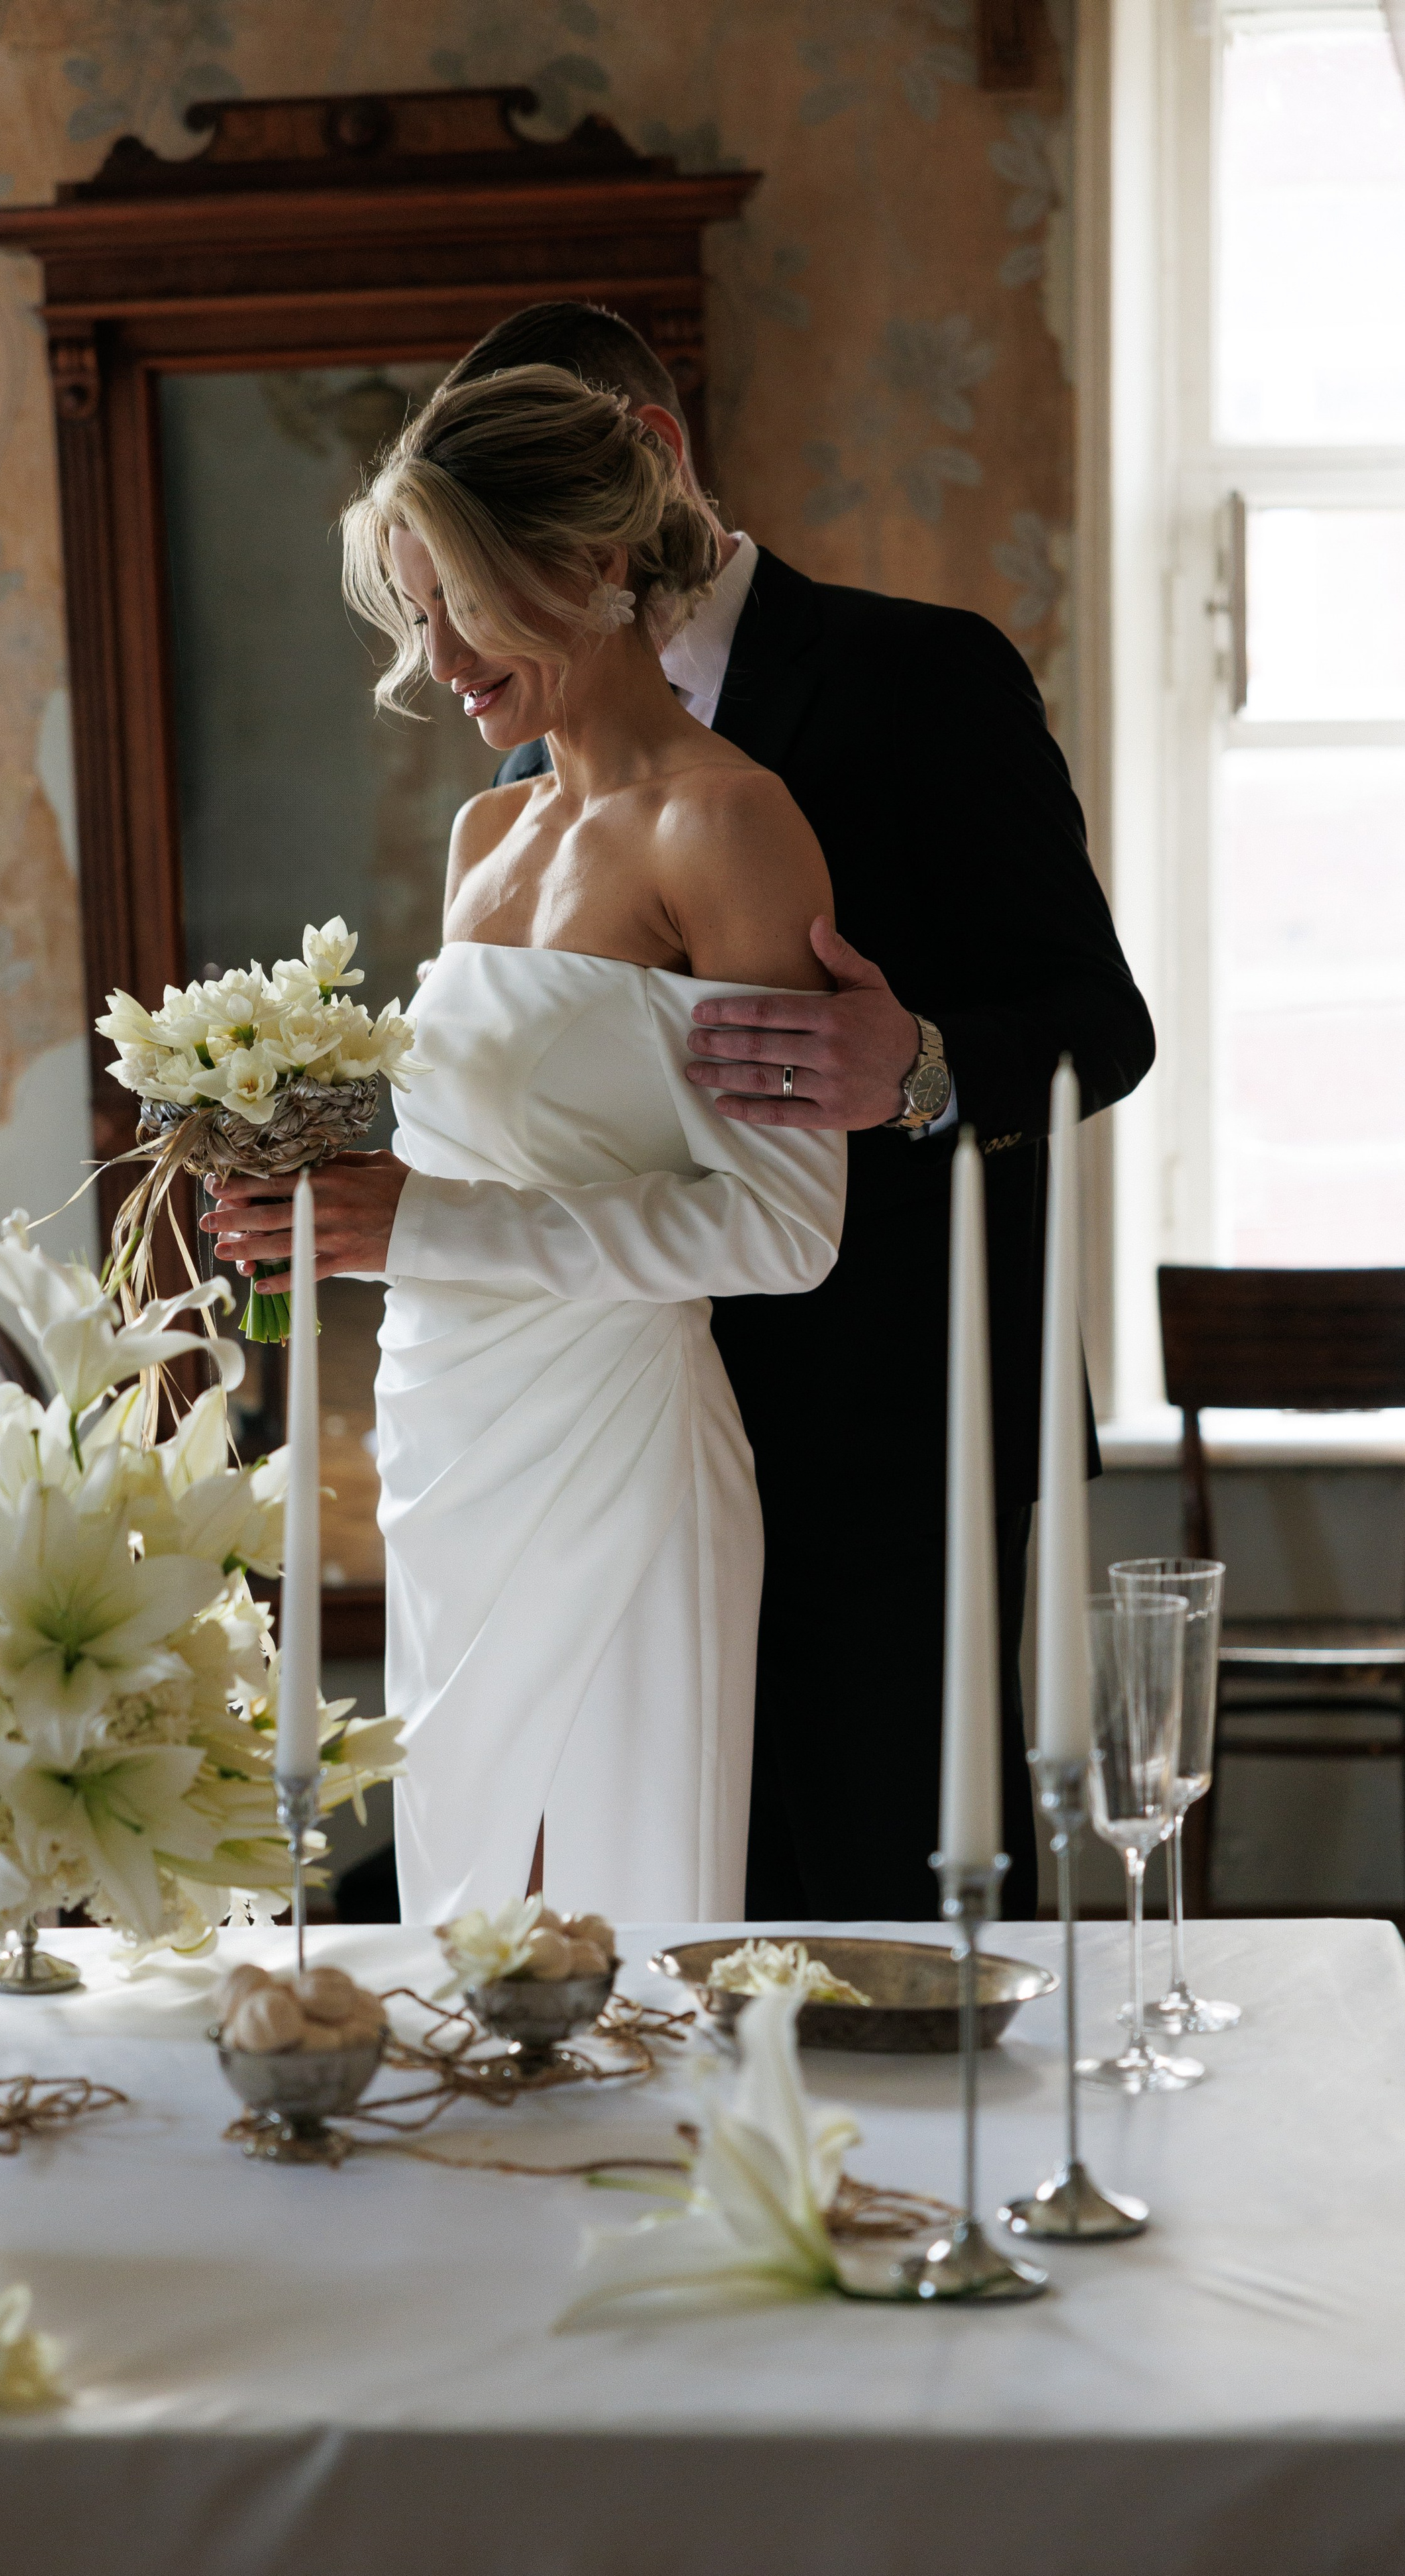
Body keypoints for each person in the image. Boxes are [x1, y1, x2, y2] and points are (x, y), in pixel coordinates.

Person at [441, 303, 1157, 1925]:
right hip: (613, 1422)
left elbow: (1099, 1028)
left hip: (891, 1412)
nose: (468, 617)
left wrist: (915, 1068)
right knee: (647, 1892)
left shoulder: (923, 675)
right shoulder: (506, 800)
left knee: (876, 1900)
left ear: (645, 459)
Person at [205, 365, 845, 1925]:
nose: (436, 662)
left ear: (592, 564)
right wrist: (308, 1184)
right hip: (447, 1453)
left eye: (463, 604)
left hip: (614, 1454)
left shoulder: (731, 825)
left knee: (602, 1963)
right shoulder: (483, 835)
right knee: (457, 1947)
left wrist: (418, 1227)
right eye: (416, 617)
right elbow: (485, 1140)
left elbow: (784, 1229)